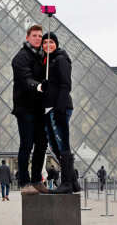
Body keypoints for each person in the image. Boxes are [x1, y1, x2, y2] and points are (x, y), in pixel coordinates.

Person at [11, 24, 49, 195]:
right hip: (25, 108)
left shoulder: (43, 57)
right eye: (34, 35)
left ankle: (36, 180)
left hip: (39, 108)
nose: (37, 38)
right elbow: (26, 79)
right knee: (26, 145)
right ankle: (24, 182)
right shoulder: (20, 58)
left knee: (42, 144)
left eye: (40, 36)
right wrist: (39, 86)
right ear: (27, 37)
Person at [41, 32, 80, 194]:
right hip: (50, 109)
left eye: (51, 42)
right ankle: (73, 181)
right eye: (44, 43)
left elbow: (66, 84)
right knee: (54, 144)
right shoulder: (49, 61)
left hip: (60, 108)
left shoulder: (61, 59)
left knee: (62, 143)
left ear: (56, 43)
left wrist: (60, 107)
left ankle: (67, 184)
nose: (47, 45)